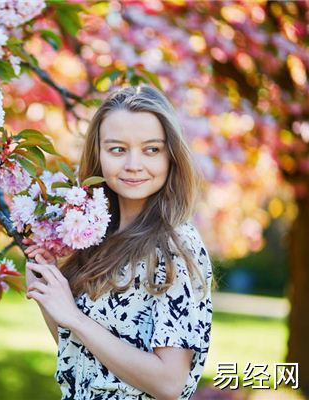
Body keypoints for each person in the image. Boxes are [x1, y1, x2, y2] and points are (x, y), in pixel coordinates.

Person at [23, 84, 215, 400]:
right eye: (117, 149)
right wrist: (51, 294)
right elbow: (82, 356)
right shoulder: (98, 236)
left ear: (171, 156)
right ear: (97, 155)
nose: (133, 165)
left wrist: (74, 317)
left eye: (151, 149)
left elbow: (170, 383)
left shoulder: (175, 246)